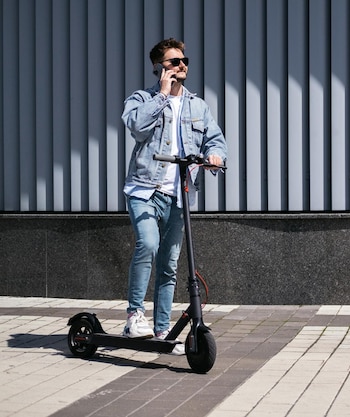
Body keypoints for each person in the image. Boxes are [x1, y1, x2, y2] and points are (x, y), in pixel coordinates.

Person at [121, 38, 227, 354]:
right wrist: (163, 96)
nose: (182, 65)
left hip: (180, 195)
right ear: (159, 68)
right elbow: (137, 128)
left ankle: (161, 331)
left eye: (184, 60)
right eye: (174, 62)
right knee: (148, 244)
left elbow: (215, 139)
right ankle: (134, 316)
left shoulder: (198, 105)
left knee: (169, 264)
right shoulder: (142, 99)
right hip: (144, 189)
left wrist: (216, 156)